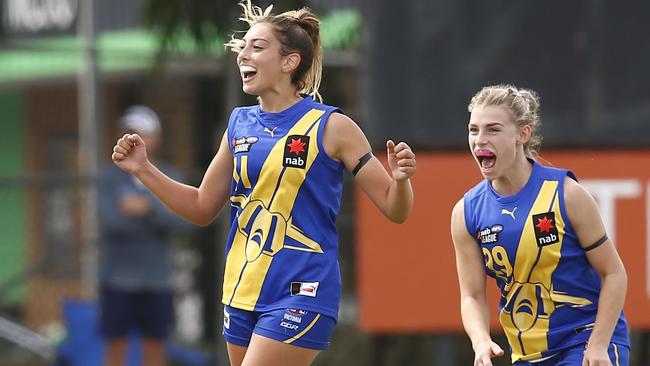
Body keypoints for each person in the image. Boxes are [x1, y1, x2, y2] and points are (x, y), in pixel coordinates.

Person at [110, 1, 416, 365]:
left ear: (289, 62)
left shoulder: (333, 126)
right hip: (243, 289)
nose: (243, 55)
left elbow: (395, 209)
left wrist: (401, 181)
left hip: (303, 291)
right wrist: (143, 168)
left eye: (257, 47)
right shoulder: (239, 124)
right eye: (243, 47)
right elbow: (201, 207)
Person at [451, 84, 630, 366]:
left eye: (493, 130)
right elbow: (471, 296)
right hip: (528, 354)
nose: (480, 140)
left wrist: (597, 346)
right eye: (474, 130)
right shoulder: (467, 212)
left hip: (585, 343)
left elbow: (614, 274)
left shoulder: (567, 194)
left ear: (523, 134)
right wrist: (480, 340)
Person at [98, 105, 193, 366]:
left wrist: (148, 207)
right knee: (115, 349)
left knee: (155, 350)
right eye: (128, 132)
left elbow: (185, 222)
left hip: (158, 281)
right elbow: (112, 222)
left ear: (156, 138)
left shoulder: (172, 176)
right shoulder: (108, 178)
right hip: (117, 281)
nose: (133, 139)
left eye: (142, 133)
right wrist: (160, 210)